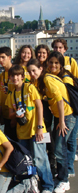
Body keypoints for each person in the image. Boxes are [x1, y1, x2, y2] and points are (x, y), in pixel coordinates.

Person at [6, 65, 54, 193]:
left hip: (36, 129)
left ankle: (48, 186)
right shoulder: (11, 94)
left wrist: (39, 127)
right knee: (27, 161)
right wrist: (16, 114)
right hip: (22, 132)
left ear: (22, 76)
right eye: (12, 76)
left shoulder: (29, 87)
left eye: (17, 75)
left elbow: (39, 106)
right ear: (9, 78)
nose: (15, 78)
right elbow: (10, 114)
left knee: (40, 158)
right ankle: (32, 184)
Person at [44, 51, 76, 193]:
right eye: (51, 62)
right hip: (64, 116)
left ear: (61, 64)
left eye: (56, 63)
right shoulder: (58, 77)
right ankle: (63, 176)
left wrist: (62, 121)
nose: (53, 65)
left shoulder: (49, 78)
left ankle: (64, 180)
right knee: (61, 147)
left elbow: (59, 100)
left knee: (59, 149)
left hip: (66, 117)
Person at [27, 58, 57, 177]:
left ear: (41, 69)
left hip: (46, 116)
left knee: (48, 142)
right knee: (43, 145)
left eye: (34, 71)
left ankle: (52, 169)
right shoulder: (34, 82)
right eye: (29, 72)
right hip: (41, 116)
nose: (32, 74)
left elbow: (56, 98)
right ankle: (47, 170)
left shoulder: (45, 79)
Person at [0, 46, 18, 141]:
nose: (0, 60)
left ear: (9, 57)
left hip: (15, 115)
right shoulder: (1, 75)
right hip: (5, 114)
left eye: (3, 57)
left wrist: (14, 118)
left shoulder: (16, 73)